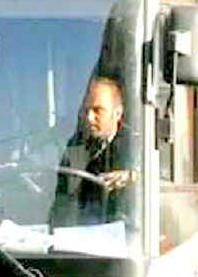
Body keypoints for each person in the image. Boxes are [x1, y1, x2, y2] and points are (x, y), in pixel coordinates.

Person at [49, 75, 137, 227]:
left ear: (117, 113)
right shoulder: (75, 145)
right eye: (86, 110)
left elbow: (155, 183)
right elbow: (61, 198)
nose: (89, 118)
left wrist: (132, 177)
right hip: (77, 231)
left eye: (98, 110)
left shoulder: (136, 147)